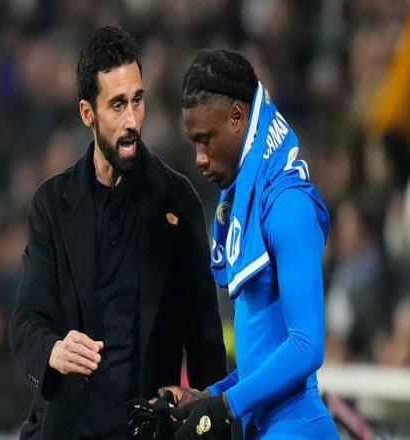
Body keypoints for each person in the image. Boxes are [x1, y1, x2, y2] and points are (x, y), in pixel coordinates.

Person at [8, 27, 227, 440]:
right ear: (87, 114)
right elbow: (27, 320)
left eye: (137, 101)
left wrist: (210, 415)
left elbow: (204, 338)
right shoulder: (52, 206)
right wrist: (55, 350)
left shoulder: (177, 201)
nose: (131, 121)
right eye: (117, 105)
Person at [159, 49, 339, 439]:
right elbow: (266, 356)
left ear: (238, 118)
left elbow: (307, 346)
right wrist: (208, 397)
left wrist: (225, 407)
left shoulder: (288, 205)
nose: (199, 158)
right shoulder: (247, 203)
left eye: (206, 140)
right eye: (194, 144)